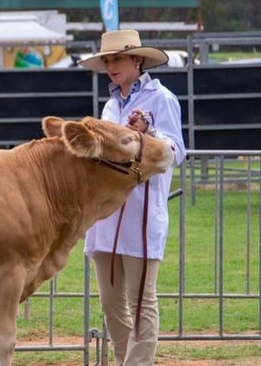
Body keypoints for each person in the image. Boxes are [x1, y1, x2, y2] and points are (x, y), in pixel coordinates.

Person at [78, 29, 187, 365]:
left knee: (142, 304)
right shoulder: (110, 106)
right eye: (107, 60)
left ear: (137, 60)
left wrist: (148, 135)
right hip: (107, 218)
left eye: (118, 59)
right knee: (112, 307)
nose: (112, 66)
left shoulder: (161, 99)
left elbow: (177, 152)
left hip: (141, 215)